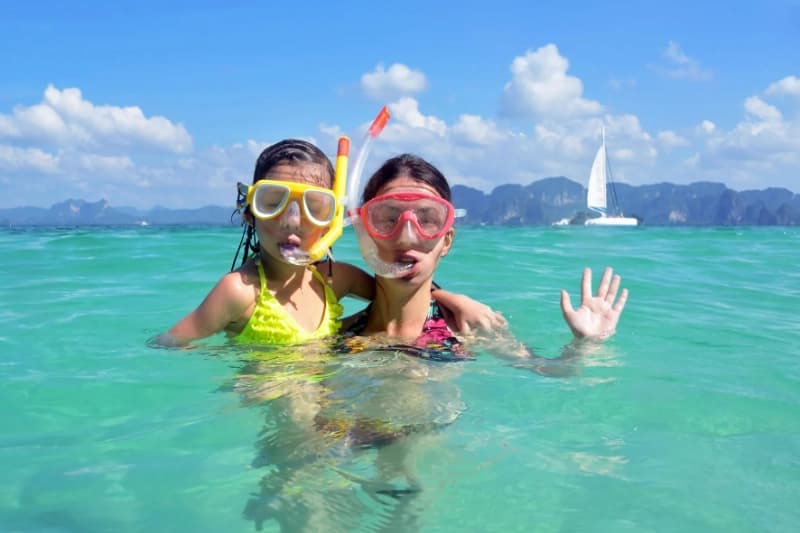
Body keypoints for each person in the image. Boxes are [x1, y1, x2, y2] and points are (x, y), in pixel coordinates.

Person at [151, 140, 504, 348]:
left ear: (332, 221)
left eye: (313, 208)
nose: (292, 222)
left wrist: (454, 301)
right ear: (249, 215)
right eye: (272, 203)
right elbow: (169, 345)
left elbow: (397, 282)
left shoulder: (334, 280)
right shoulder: (239, 291)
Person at [342, 153, 627, 352]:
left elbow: (548, 371)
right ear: (365, 235)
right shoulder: (339, 337)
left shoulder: (471, 330)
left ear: (447, 241)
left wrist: (586, 345)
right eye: (388, 219)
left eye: (427, 219)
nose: (406, 235)